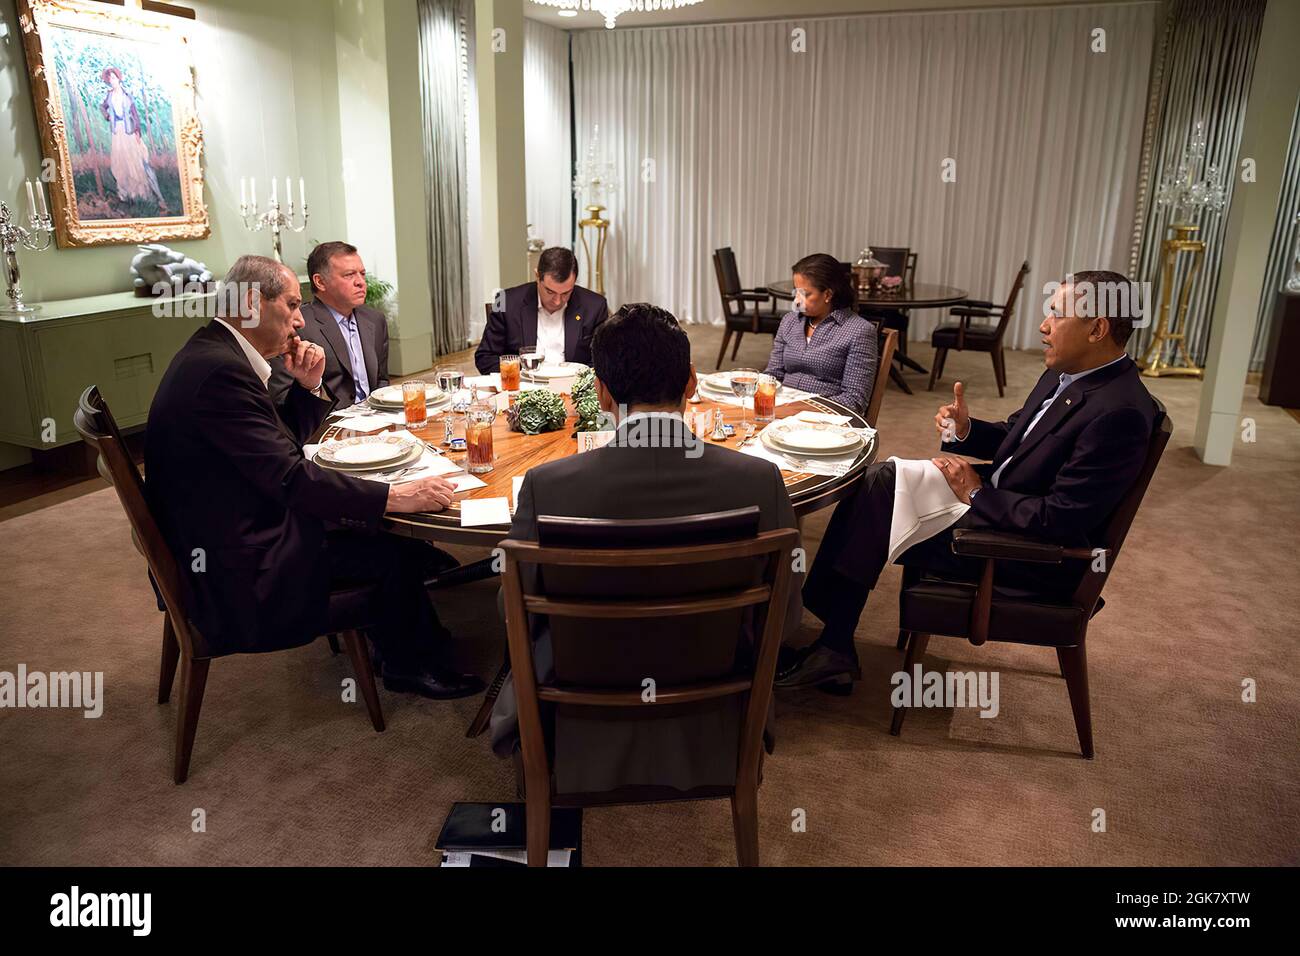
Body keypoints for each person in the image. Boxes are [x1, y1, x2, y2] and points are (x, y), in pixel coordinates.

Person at [777, 270, 1158, 690]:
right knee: (878, 478)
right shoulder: (1068, 374)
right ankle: (832, 642)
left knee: (878, 504)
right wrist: (965, 430)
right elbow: (1020, 435)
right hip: (1005, 506)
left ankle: (830, 643)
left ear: (1098, 329)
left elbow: (1062, 518)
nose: (1043, 326)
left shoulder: (1119, 412)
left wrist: (976, 493)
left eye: (1057, 315)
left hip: (1030, 553)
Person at [489, 303, 804, 793]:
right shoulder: (760, 481)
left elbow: (515, 617)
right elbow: (786, 617)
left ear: (602, 393)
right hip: (718, 692)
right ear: (692, 383)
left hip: (576, 698)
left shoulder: (547, 486)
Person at [145, 255, 483, 699]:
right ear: (251, 303)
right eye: (291, 305)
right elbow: (290, 477)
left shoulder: (212, 352)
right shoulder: (220, 372)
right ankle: (408, 664)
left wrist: (306, 388)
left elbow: (274, 449)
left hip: (223, 529)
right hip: (239, 567)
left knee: (371, 523)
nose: (301, 321)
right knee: (386, 543)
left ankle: (412, 637)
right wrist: (392, 497)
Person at [268, 242, 388, 407]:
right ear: (320, 282)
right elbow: (282, 398)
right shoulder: (295, 326)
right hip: (327, 424)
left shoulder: (375, 319)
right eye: (349, 275)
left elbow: (381, 380)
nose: (360, 282)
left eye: (362, 274)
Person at [765, 253, 878, 413]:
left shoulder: (859, 331)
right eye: (796, 292)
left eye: (805, 294)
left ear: (828, 295)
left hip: (824, 420)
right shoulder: (790, 321)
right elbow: (772, 375)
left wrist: (800, 410)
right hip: (781, 410)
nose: (797, 301)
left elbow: (854, 400)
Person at [474, 247, 609, 373]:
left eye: (566, 293)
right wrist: (518, 375)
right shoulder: (503, 300)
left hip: (572, 389)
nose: (557, 301)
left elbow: (602, 361)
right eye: (550, 291)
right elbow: (485, 357)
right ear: (537, 276)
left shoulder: (595, 306)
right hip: (522, 387)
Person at [100, 66, 165, 209]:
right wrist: (108, 116)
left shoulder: (127, 95)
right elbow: (103, 107)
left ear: (118, 78)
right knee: (120, 161)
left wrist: (137, 132)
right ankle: (125, 195)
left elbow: (135, 114)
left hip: (129, 130)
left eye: (114, 77)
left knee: (134, 161)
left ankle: (140, 195)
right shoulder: (109, 95)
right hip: (117, 132)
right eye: (110, 78)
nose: (112, 80)